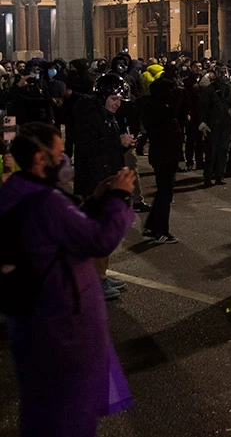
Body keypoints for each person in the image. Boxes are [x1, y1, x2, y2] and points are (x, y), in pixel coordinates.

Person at [0, 123, 138, 437]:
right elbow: (98, 239)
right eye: (59, 153)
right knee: (68, 415)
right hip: (62, 328)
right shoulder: (45, 202)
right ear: (40, 158)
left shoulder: (16, 192)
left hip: (33, 323)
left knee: (42, 409)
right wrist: (119, 196)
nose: (64, 160)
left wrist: (94, 201)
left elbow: (65, 231)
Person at [72, 73, 137, 301]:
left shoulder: (106, 115)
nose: (117, 104)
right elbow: (88, 147)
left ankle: (101, 275)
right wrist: (117, 141)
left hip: (106, 178)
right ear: (102, 96)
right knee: (97, 233)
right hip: (94, 183)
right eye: (114, 99)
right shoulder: (89, 114)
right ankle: (95, 280)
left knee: (107, 231)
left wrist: (124, 145)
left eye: (119, 100)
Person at [140, 75, 185, 243]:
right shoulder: (158, 109)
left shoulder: (155, 106)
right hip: (164, 154)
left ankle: (152, 226)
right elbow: (173, 110)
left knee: (163, 193)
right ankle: (160, 231)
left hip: (164, 154)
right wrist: (178, 94)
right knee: (164, 194)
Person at [200, 63, 231, 188]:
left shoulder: (230, 89)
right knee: (212, 152)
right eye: (220, 72)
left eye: (224, 72)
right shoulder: (210, 89)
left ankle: (219, 175)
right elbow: (204, 107)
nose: (222, 75)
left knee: (222, 151)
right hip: (214, 124)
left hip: (224, 123)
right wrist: (203, 122)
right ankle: (209, 176)